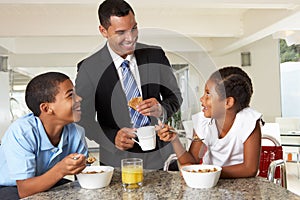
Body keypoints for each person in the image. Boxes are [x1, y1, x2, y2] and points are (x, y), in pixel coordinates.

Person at [75, 0, 182, 169]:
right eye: (121, 32)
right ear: (103, 31)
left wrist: (162, 109)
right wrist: (112, 137)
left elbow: (175, 96)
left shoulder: (155, 55)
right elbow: (83, 119)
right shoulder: (89, 68)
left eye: (134, 28)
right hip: (117, 158)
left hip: (160, 153)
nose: (130, 38)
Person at [158, 66, 262, 178]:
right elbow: (192, 162)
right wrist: (174, 140)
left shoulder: (248, 121)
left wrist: (210, 172)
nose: (201, 99)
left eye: (208, 94)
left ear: (227, 102)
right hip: (210, 183)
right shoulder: (203, 121)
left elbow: (250, 169)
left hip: (242, 185)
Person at [0, 72, 88, 199]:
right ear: (46, 108)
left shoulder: (76, 132)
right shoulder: (22, 132)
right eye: (70, 95)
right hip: (12, 187)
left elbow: (84, 174)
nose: (79, 98)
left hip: (49, 181)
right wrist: (61, 169)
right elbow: (24, 190)